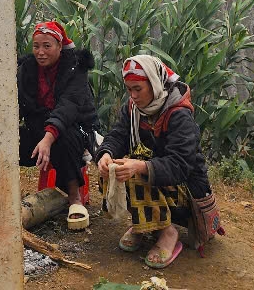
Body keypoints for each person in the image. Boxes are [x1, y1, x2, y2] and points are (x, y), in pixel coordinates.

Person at [95, 54, 224, 269]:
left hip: (186, 188)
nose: (133, 95)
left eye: (138, 89)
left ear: (155, 84)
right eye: (129, 89)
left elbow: (180, 165)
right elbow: (118, 135)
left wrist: (140, 166)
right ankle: (143, 224)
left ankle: (168, 232)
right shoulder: (133, 109)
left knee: (137, 174)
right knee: (113, 172)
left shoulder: (178, 114)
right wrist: (106, 154)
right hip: (160, 180)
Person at [17, 21, 98, 231]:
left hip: (74, 128)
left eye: (47, 46)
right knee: (9, 140)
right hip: (39, 129)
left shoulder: (76, 69)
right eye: (36, 46)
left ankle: (75, 199)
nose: (40, 52)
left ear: (60, 47)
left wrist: (48, 137)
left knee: (65, 139)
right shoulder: (27, 69)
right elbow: (18, 103)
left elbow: (68, 106)